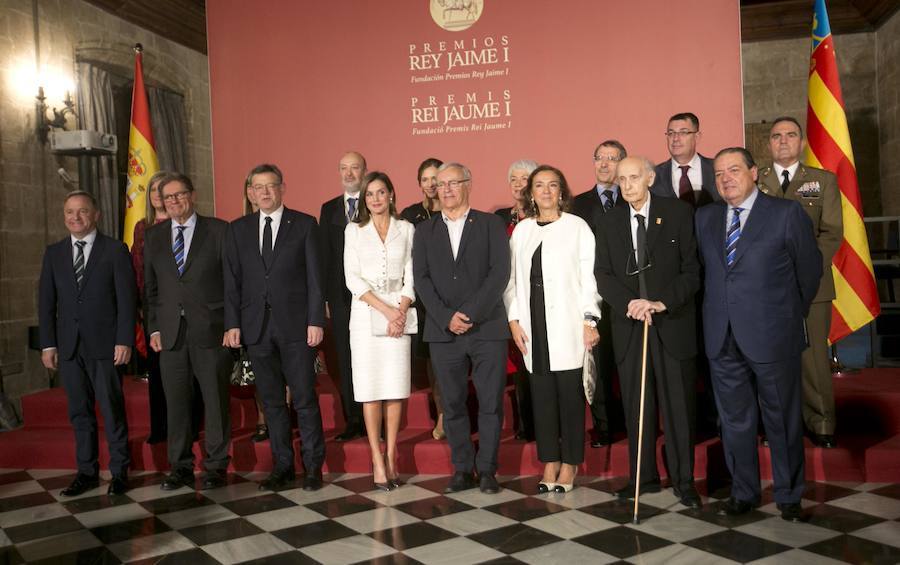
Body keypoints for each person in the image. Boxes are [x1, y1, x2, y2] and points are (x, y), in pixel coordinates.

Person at [696, 148, 821, 522]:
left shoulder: (786, 214)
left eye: (734, 170)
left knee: (781, 419)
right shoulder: (705, 217)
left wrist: (785, 316)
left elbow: (809, 271)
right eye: (719, 174)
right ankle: (743, 491)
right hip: (722, 335)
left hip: (773, 335)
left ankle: (789, 494)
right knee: (734, 420)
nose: (726, 179)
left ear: (753, 172)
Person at [594, 157, 702, 508]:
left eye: (634, 177)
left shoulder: (677, 213)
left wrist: (659, 303)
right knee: (637, 408)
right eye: (621, 179)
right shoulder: (608, 221)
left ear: (650, 179)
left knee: (678, 408)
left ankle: (684, 481)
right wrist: (631, 304)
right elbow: (603, 274)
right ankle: (643, 478)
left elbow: (691, 271)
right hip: (630, 326)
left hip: (671, 323)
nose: (627, 185)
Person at [224, 163, 327, 491]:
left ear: (282, 188)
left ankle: (313, 467)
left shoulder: (305, 224)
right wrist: (232, 324)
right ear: (251, 193)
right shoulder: (238, 229)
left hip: (296, 327)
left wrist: (315, 320)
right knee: (270, 403)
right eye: (259, 187)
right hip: (256, 329)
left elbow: (316, 278)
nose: (265, 192)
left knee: (304, 399)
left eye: (271, 186)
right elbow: (232, 282)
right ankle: (282, 466)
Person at [413, 162, 510, 494]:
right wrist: (446, 317)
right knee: (452, 403)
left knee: (490, 402)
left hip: (487, 328)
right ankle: (462, 469)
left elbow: (499, 273)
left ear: (468, 184)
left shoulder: (490, 224)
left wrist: (468, 313)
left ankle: (488, 470)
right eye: (441, 185)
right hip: (443, 332)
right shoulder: (424, 231)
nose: (447, 190)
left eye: (454, 183)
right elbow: (421, 280)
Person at [504, 165, 600, 493]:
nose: (546, 191)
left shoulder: (577, 227)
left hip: (569, 324)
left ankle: (570, 463)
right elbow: (511, 281)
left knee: (570, 397)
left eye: (553, 185)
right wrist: (514, 320)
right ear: (531, 194)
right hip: (533, 325)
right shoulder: (522, 231)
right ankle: (549, 461)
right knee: (542, 398)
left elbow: (589, 277)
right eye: (539, 186)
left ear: (562, 192)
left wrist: (590, 319)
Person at [39, 191, 135, 497]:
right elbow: (46, 303)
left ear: (96, 215)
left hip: (106, 346)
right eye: (70, 212)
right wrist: (48, 344)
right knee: (79, 412)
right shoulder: (54, 253)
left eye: (82, 211)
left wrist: (124, 340)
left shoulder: (115, 250)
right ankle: (86, 472)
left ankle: (119, 472)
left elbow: (127, 300)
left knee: (111, 410)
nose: (75, 217)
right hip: (69, 347)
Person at [758, 116, 843, 448]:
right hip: (767, 288)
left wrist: (804, 270)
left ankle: (821, 422)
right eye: (776, 136)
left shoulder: (822, 181)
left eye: (790, 135)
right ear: (768, 143)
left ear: (802, 142)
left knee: (813, 358)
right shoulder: (757, 180)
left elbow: (831, 233)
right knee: (773, 358)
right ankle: (778, 425)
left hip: (812, 286)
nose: (783, 141)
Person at [144, 173, 233, 491]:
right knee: (177, 403)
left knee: (215, 401)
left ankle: (216, 466)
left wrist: (232, 324)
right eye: (168, 197)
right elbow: (151, 289)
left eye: (180, 194)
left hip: (211, 329)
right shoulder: (153, 237)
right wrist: (154, 327)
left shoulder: (219, 230)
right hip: (171, 333)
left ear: (192, 195)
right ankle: (180, 466)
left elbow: (232, 282)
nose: (174, 201)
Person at [344, 171, 416, 490]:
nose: (375, 198)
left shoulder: (407, 229)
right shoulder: (354, 230)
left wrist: (400, 309)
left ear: (391, 195)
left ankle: (391, 455)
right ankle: (376, 457)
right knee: (371, 390)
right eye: (369, 194)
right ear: (364, 199)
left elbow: (413, 274)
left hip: (399, 313)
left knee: (395, 388)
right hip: (365, 315)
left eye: (381, 192)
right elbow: (352, 278)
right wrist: (387, 310)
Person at [573, 140, 629, 448]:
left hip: (629, 296)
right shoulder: (577, 205)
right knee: (598, 366)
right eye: (600, 158)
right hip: (591, 297)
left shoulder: (633, 199)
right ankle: (604, 428)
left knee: (629, 364)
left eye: (612, 158)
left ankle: (634, 423)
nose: (605, 164)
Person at [320, 151, 367, 442]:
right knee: (346, 359)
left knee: (370, 358)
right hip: (340, 299)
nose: (349, 174)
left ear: (364, 171)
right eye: (344, 168)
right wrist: (326, 299)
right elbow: (325, 256)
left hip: (371, 298)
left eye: (355, 168)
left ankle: (375, 418)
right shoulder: (328, 209)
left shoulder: (375, 202)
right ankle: (354, 420)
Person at [401, 158, 446, 440]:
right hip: (425, 298)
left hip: (455, 295)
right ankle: (442, 414)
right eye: (425, 179)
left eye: (435, 178)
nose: (431, 184)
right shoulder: (410, 215)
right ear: (419, 183)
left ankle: (454, 412)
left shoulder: (455, 209)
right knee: (434, 360)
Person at [495, 159, 538, 442]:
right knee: (520, 364)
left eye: (525, 179)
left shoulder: (544, 216)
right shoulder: (499, 218)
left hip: (538, 297)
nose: (519, 184)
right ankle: (526, 425)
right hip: (509, 299)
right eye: (514, 179)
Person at [131, 170, 171, 444]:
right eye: (153, 190)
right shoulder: (142, 227)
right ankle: (159, 427)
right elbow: (138, 267)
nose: (157, 195)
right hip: (152, 305)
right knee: (157, 370)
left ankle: (187, 424)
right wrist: (141, 304)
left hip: (181, 306)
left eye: (162, 189)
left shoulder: (185, 223)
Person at [650, 112, 720, 207]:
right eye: (671, 133)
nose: (675, 139)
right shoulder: (654, 175)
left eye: (683, 133)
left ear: (697, 137)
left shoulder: (717, 168)